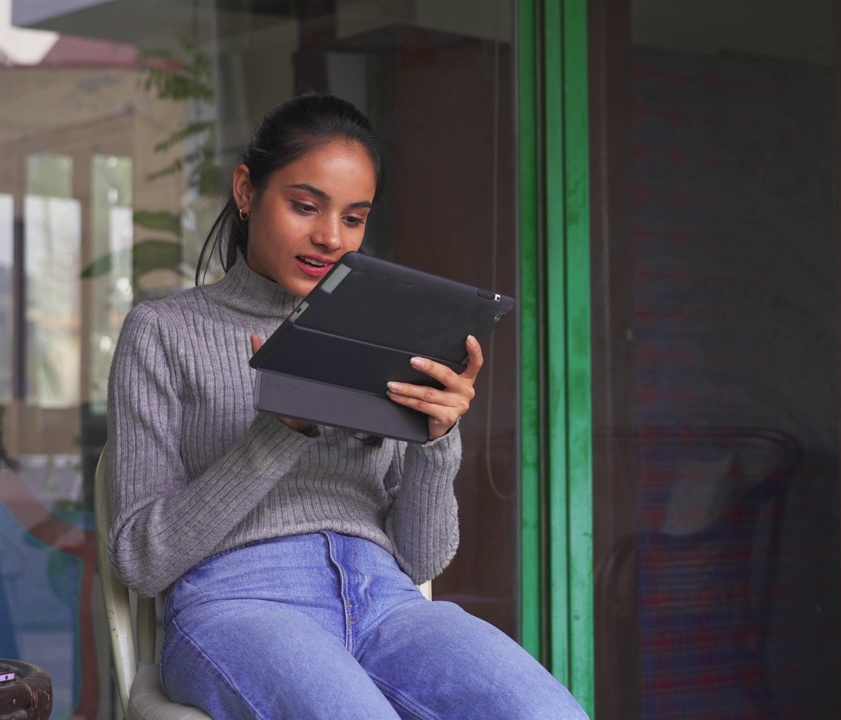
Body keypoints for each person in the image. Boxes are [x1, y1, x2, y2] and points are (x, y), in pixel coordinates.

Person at [105, 93, 587, 720]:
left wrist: (438, 440)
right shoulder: (162, 331)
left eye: (354, 218)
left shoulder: (380, 332)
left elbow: (420, 560)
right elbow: (141, 559)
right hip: (242, 602)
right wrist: (282, 427)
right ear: (247, 191)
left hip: (388, 603)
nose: (330, 237)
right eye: (305, 206)